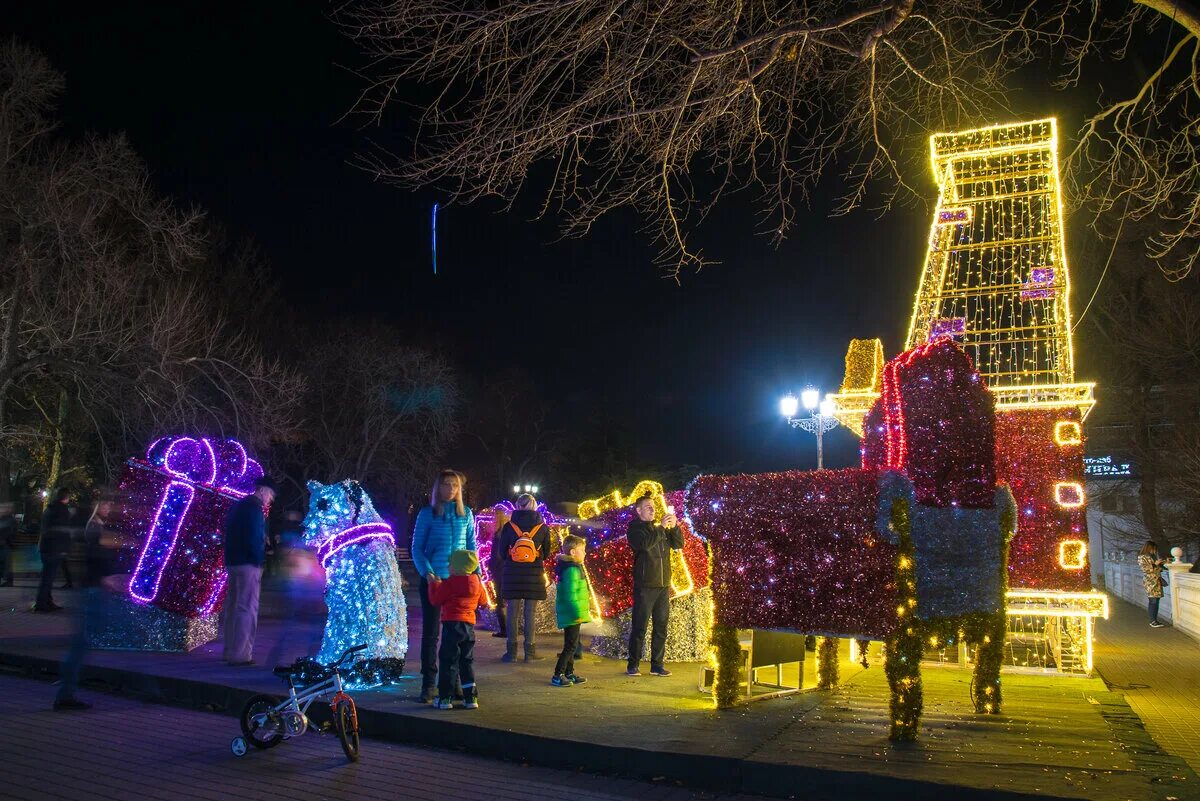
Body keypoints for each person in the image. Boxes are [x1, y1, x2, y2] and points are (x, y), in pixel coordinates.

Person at [55, 491, 126, 711]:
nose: (109, 508)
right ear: (98, 506)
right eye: (105, 504)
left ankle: (66, 693)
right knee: (81, 643)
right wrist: (104, 578)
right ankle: (65, 695)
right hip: (92, 591)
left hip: (92, 589)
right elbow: (94, 557)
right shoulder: (94, 527)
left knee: (82, 642)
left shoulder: (96, 527)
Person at [412, 470, 477, 703]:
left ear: (459, 489)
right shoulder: (427, 514)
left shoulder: (466, 514)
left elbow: (471, 547)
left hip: (458, 583)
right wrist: (428, 573)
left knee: (457, 636)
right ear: (437, 488)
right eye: (446, 485)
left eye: (455, 485)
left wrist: (476, 576)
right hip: (435, 581)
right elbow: (417, 548)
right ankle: (428, 683)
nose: (450, 489)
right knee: (431, 634)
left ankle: (453, 682)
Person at [625, 494, 683, 677]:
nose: (652, 509)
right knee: (639, 626)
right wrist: (661, 528)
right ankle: (632, 664)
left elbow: (678, 544)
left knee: (661, 626)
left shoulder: (661, 528)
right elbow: (643, 545)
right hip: (646, 585)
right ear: (639, 510)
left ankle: (657, 665)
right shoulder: (635, 529)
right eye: (648, 506)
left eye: (653, 506)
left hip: (663, 585)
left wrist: (674, 528)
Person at [221, 476, 276, 665]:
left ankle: (229, 650)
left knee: (233, 607)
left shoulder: (238, 506)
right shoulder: (255, 508)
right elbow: (253, 537)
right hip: (248, 564)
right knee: (247, 608)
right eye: (270, 495)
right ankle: (241, 654)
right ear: (263, 491)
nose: (270, 500)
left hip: (233, 561)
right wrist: (260, 557)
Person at [427, 549, 485, 710]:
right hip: (469, 626)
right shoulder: (476, 582)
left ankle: (445, 698)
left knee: (448, 661)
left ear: (457, 567)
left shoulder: (450, 583)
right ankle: (470, 697)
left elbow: (435, 599)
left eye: (451, 564)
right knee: (467, 662)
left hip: (452, 625)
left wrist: (433, 583)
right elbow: (484, 600)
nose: (448, 566)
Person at [498, 493, 552, 662]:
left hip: (512, 574)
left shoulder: (509, 526)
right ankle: (530, 653)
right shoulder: (542, 527)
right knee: (530, 613)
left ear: (517, 506)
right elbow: (547, 553)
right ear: (534, 505)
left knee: (513, 613)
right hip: (533, 574)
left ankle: (511, 653)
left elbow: (501, 552)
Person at [552, 534, 591, 687]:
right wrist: (577, 614)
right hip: (572, 613)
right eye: (582, 550)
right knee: (571, 646)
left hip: (572, 612)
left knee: (571, 644)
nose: (585, 553)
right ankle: (558, 674)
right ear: (573, 552)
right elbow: (570, 595)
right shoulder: (572, 570)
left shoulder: (571, 567)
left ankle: (569, 672)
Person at [35, 488, 74, 612]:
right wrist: (64, 548)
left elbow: (47, 529)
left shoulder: (49, 509)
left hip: (46, 548)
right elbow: (62, 531)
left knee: (47, 577)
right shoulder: (62, 510)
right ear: (66, 497)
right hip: (55, 549)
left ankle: (47, 601)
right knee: (48, 578)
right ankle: (42, 604)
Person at [486, 507, 511, 638]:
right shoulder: (509, 534)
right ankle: (509, 628)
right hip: (508, 570)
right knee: (509, 601)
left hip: (499, 570)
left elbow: (496, 556)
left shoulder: (498, 535)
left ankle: (504, 630)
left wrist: (491, 566)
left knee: (500, 601)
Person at [1138, 540, 1168, 628]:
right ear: (1150, 548)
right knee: (1153, 600)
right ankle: (1153, 621)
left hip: (1156, 580)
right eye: (1154, 549)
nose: (1154, 551)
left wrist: (1163, 564)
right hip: (1150, 581)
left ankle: (1154, 620)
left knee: (1156, 600)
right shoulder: (1142, 557)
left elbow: (1157, 567)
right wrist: (1155, 564)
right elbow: (1145, 569)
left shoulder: (1153, 556)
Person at [0, 501, 16, 586]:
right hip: (4, 544)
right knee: (3, 563)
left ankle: (9, 581)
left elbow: (10, 532)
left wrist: (7, 541)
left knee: (6, 563)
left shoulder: (9, 519)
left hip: (5, 544)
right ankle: (7, 580)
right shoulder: (5, 519)